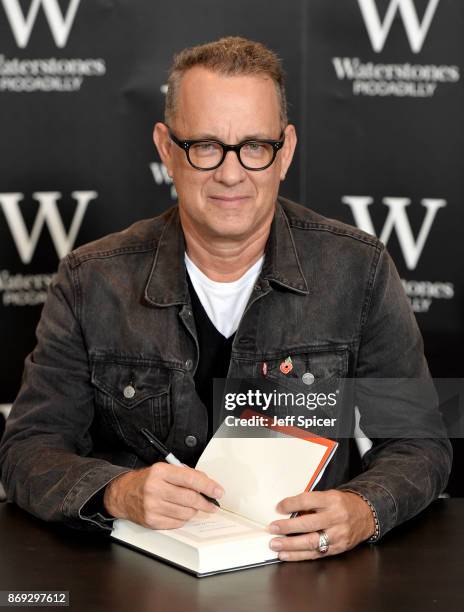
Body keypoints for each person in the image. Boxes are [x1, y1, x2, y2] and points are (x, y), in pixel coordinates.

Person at [0, 37, 451, 562]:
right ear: (167, 150)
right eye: (206, 145)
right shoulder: (90, 280)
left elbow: (420, 445)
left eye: (255, 147)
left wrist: (364, 508)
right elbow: (27, 450)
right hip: (137, 579)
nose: (231, 173)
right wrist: (116, 491)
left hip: (306, 580)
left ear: (286, 152)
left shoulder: (360, 269)